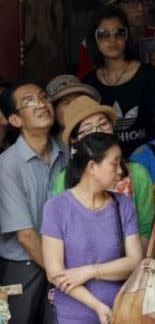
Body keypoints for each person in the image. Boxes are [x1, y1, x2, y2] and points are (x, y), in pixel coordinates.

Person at [42, 132, 143, 323]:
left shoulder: (124, 205)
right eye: (114, 163)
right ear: (92, 167)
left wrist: (89, 271)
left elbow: (135, 261)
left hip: (122, 312)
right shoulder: (56, 208)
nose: (120, 170)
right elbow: (55, 274)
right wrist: (98, 307)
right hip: (73, 317)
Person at [0, 81, 68, 323]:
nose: (41, 104)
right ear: (15, 120)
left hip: (61, 262)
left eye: (43, 97)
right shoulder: (7, 165)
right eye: (28, 101)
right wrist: (61, 274)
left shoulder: (67, 153)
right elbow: (25, 236)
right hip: (21, 265)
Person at [53, 95, 155, 246]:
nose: (98, 132)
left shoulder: (137, 173)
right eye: (87, 129)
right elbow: (61, 236)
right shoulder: (64, 179)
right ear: (74, 142)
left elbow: (146, 229)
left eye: (103, 124)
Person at [83, 6, 155, 156]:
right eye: (103, 34)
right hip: (106, 168)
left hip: (149, 163)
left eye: (119, 32)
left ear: (127, 36)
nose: (112, 39)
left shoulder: (150, 76)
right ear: (94, 39)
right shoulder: (89, 84)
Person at [78, 0, 155, 88]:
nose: (140, 9)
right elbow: (84, 91)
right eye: (132, 3)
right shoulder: (92, 43)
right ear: (116, 6)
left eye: (145, 3)